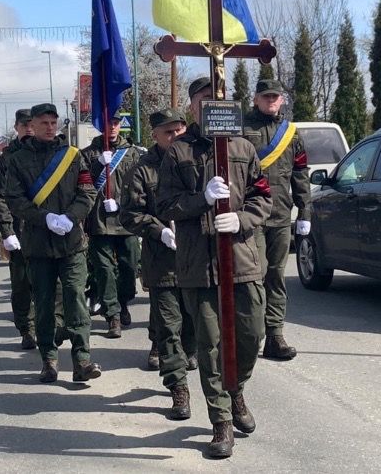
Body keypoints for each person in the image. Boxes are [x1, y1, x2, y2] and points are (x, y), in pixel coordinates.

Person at [157, 77, 272, 459]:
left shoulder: (243, 146)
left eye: (216, 97)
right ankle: (221, 419)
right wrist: (200, 201)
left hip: (242, 259)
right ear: (193, 107)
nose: (211, 103)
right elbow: (166, 206)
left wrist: (242, 218)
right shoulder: (178, 152)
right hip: (198, 263)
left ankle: (236, 389)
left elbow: (263, 196)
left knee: (252, 334)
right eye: (204, 99)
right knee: (209, 345)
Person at [3, 103, 101, 383]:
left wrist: (72, 217)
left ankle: (82, 359)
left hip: (72, 243)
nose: (49, 127)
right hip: (37, 245)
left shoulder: (72, 156)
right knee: (44, 304)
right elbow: (15, 200)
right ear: (32, 125)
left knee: (75, 297)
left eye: (53, 122)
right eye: (43, 123)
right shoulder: (18, 160)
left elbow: (87, 191)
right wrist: (44, 218)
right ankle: (49, 359)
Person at [120, 107, 197, 421]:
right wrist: (159, 230)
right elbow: (130, 214)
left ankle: (186, 359)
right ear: (154, 135)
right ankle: (178, 388)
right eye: (168, 132)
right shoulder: (142, 169)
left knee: (193, 326)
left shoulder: (195, 161)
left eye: (179, 130)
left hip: (196, 259)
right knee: (168, 328)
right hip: (162, 261)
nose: (175, 136)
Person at [241, 78, 311, 361]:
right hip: (251, 215)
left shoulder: (291, 133)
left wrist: (305, 210)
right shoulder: (241, 128)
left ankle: (275, 334)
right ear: (255, 99)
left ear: (282, 100)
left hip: (281, 215)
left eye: (275, 97)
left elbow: (300, 174)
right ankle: (252, 332)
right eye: (266, 96)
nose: (271, 101)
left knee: (276, 276)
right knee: (253, 276)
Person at [82, 113, 144, 338]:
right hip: (99, 221)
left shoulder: (133, 153)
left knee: (129, 267)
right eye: (108, 122)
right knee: (104, 270)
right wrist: (97, 166)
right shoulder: (88, 154)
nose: (112, 127)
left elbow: (141, 184)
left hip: (126, 220)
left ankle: (123, 301)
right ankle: (112, 315)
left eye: (116, 123)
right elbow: (80, 185)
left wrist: (123, 203)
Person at [0, 108, 44, 350]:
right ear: (16, 128)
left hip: (44, 227)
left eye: (32, 124)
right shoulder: (7, 158)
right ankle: (26, 329)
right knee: (21, 283)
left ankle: (47, 326)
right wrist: (7, 231)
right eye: (24, 125)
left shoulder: (48, 152)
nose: (29, 128)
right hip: (19, 228)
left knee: (46, 281)